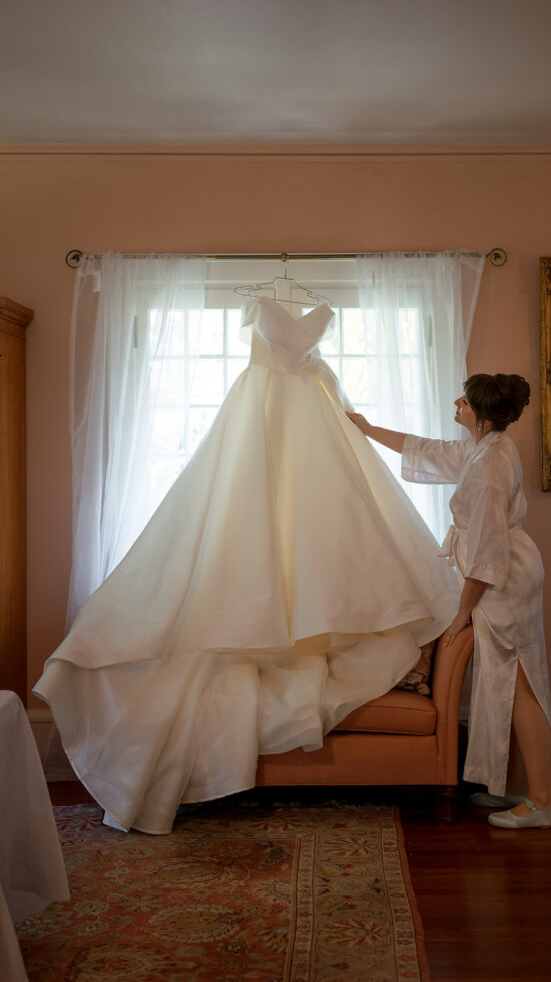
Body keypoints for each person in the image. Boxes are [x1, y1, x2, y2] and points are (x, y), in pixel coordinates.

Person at [34, 290, 461, 835]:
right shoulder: (305, 329)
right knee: (245, 523)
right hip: (271, 422)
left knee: (308, 530)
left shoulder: (272, 320)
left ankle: (294, 637)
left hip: (288, 425)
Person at [348, 373, 551, 829]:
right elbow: (427, 449)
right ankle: (521, 789)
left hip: (505, 580)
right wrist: (366, 428)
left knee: (522, 685)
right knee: (508, 682)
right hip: (502, 573)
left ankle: (542, 802)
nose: (456, 404)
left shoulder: (487, 468)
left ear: (481, 415)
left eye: (464, 401)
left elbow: (485, 553)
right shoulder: (484, 448)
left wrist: (462, 612)